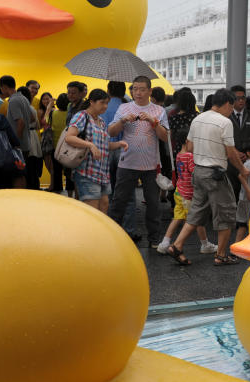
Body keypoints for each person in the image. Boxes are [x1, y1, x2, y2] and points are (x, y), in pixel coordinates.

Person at [167, 88, 250, 267]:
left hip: (199, 172)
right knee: (226, 213)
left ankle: (177, 245)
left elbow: (189, 147)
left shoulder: (198, 118)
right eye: (231, 107)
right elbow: (230, 153)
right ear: (228, 104)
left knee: (196, 212)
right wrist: (242, 169)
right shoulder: (224, 122)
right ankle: (221, 255)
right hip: (215, 174)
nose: (231, 111)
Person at [107, 76, 169, 247]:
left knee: (153, 205)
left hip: (151, 165)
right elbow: (111, 132)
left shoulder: (158, 110)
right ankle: (111, 237)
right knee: (119, 201)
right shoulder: (124, 107)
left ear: (150, 91)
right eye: (135, 89)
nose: (138, 92)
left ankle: (154, 240)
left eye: (142, 89)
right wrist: (122, 121)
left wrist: (153, 121)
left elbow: (164, 137)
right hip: (127, 162)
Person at [65, 89, 128, 213]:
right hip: (86, 172)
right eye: (102, 102)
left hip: (102, 172)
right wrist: (90, 145)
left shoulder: (102, 122)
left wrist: (119, 144)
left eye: (107, 103)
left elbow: (105, 145)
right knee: (92, 210)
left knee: (104, 205)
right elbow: (69, 137)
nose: (105, 106)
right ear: (92, 102)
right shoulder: (82, 116)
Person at [156, 130, 214, 255]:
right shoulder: (190, 156)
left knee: (177, 218)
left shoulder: (179, 155)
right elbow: (195, 173)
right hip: (188, 194)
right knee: (197, 220)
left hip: (179, 192)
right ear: (188, 141)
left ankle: (164, 243)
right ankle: (205, 245)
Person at [0, 76, 31, 188]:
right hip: (26, 143)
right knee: (21, 173)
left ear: (5, 87)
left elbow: (20, 122)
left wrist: (16, 143)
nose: (1, 91)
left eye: (1, 88)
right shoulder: (24, 98)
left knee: (17, 175)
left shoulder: (14, 101)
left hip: (19, 145)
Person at [48, 93, 70, 193]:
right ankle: (70, 191)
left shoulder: (53, 113)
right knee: (69, 172)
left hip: (56, 146)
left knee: (57, 171)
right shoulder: (70, 115)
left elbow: (46, 120)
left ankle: (58, 190)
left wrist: (49, 107)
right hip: (69, 147)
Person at [37, 91, 56, 175]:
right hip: (44, 139)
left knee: (51, 162)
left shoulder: (54, 111)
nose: (45, 101)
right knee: (47, 162)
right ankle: (52, 183)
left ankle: (53, 184)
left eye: (47, 99)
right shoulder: (40, 111)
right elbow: (39, 126)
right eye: (43, 99)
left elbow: (46, 121)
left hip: (52, 138)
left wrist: (49, 107)